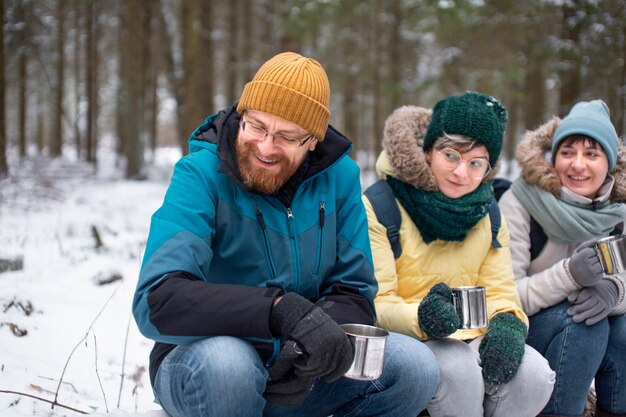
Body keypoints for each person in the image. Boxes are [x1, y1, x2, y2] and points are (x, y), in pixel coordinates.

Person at [132, 52, 439, 417]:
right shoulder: (200, 174)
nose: (265, 146)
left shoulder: (340, 179)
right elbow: (158, 300)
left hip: (298, 371)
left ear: (312, 140)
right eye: (256, 126)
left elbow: (354, 291)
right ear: (241, 115)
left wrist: (309, 344)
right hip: (204, 364)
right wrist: (277, 311)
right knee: (230, 365)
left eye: (286, 137)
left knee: (415, 367)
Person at [363, 92, 555, 417]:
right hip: (411, 338)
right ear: (428, 151)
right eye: (450, 155)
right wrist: (423, 318)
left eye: (475, 163)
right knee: (458, 368)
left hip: (472, 334)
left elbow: (501, 292)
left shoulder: (490, 214)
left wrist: (507, 323)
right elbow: (375, 303)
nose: (461, 173)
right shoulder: (381, 205)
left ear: (489, 168)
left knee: (533, 374)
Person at [499, 99, 626, 417]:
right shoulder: (521, 201)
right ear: (553, 157)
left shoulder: (619, 211)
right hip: (527, 330)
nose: (578, 165)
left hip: (588, 329)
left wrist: (613, 291)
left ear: (609, 163)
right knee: (584, 325)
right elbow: (508, 296)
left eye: (591, 154)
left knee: (622, 328)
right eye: (567, 152)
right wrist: (570, 275)